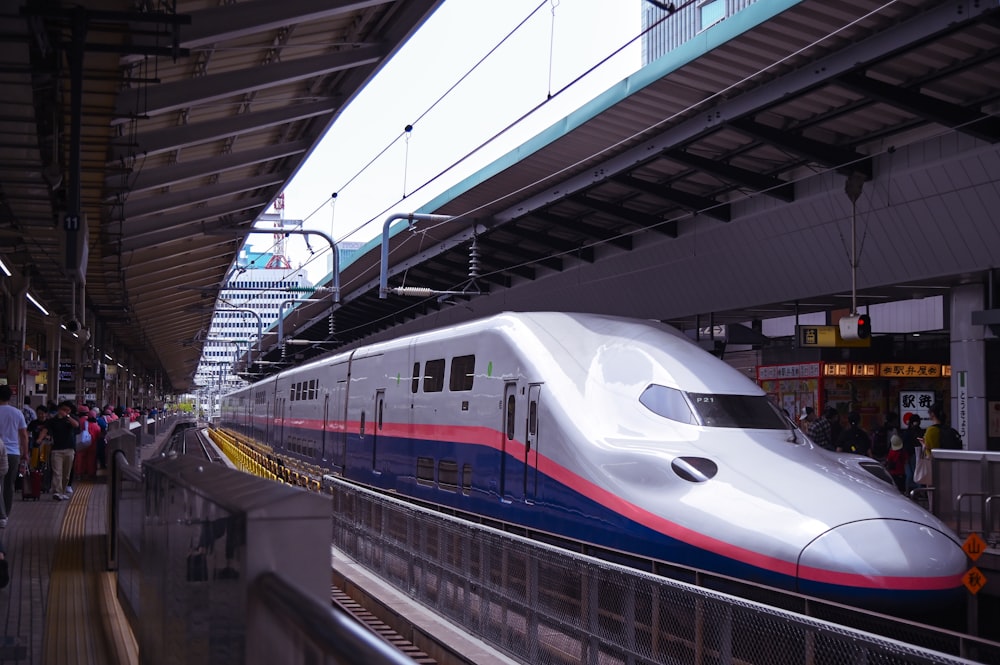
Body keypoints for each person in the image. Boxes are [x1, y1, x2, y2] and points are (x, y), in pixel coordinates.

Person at [37, 401, 79, 501]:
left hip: (69, 449)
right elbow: (45, 430)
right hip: (56, 450)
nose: (65, 412)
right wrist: (39, 439)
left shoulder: (70, 419)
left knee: (66, 474)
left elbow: (76, 425)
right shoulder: (52, 421)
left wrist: (68, 416)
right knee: (57, 472)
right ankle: (57, 492)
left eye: (68, 410)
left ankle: (63, 491)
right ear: (59, 409)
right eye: (63, 409)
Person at [0, 385, 29, 529]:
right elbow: (23, 435)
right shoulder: (17, 413)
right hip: (13, 452)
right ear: (10, 397)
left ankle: (1, 514)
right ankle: (6, 515)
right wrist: (25, 453)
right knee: (9, 484)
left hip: (0, 449)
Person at [902, 414, 924, 492]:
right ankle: (918, 491)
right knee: (918, 474)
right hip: (918, 454)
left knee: (910, 474)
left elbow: (905, 444)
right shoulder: (920, 431)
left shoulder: (907, 432)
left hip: (910, 455)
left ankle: (908, 491)